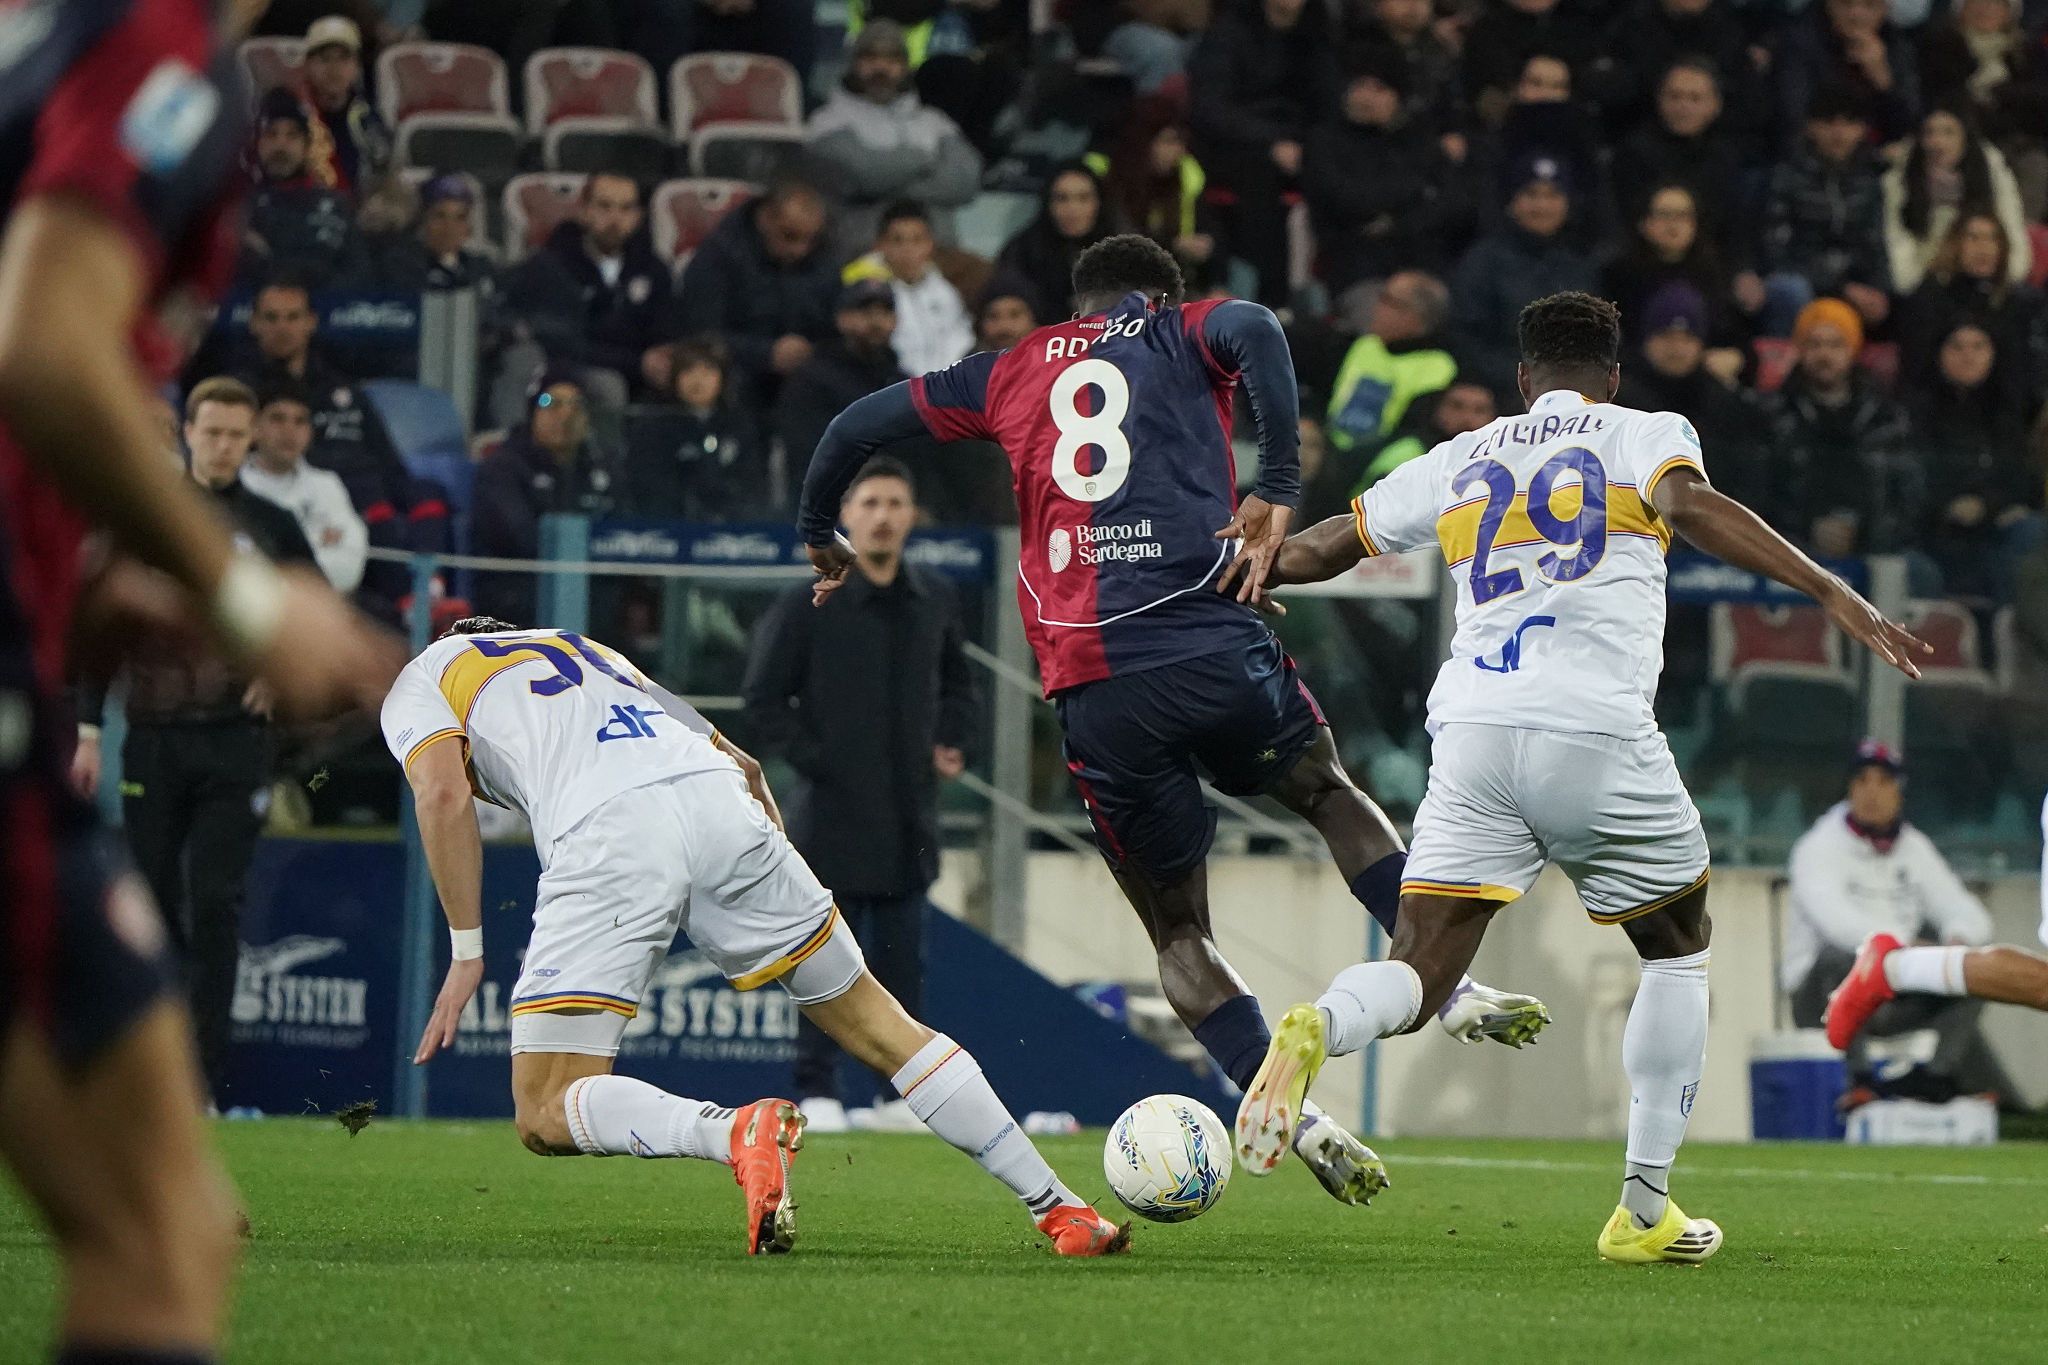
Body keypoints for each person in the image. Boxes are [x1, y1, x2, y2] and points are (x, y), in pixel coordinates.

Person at [794, 234, 1552, 1213]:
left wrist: (820, 529)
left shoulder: (1005, 369)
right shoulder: (1174, 330)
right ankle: (1439, 987)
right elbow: (1255, 326)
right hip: (1206, 639)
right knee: (1324, 791)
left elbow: (855, 424)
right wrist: (1277, 484)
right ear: (1156, 295)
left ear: (1077, 302)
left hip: (1091, 682)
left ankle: (1291, 1112)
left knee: (1178, 931)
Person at [1233, 290, 1930, 1264]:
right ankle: (1642, 1210)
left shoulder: (1460, 455)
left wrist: (1237, 561)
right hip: (1593, 729)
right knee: (1676, 944)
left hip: (1471, 732)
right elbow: (1688, 506)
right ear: (1610, 375)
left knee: (1421, 964)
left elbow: (1313, 549)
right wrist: (1825, 587)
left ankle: (1321, 1021)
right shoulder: (1645, 431)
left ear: (1519, 381)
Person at [0, 4, 398, 1357]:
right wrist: (242, 595)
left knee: (172, 1220)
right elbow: (44, 349)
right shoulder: (161, 48)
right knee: (159, 1235)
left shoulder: (65, 47)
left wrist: (90, 581)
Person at [385, 617, 1127, 1256]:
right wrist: (755, 811)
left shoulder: (423, 678)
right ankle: (1062, 1205)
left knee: (546, 1108)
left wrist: (467, 948)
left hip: (611, 827)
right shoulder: (584, 647)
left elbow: (443, 792)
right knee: (880, 1023)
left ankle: (733, 1131)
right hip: (716, 798)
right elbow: (735, 754)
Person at [72, 377, 320, 1112]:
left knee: (216, 904)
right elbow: (100, 621)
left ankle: (197, 1084)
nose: (223, 446)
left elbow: (321, 610)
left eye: (237, 435)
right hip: (151, 741)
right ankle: (141, 1078)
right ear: (188, 431)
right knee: (146, 907)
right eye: (211, 432)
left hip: (236, 745)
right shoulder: (149, 519)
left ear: (251, 440)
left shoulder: (272, 524)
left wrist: (281, 669)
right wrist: (89, 729)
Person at [743, 458, 977, 1132]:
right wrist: (821, 760)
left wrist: (955, 741)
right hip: (830, 816)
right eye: (870, 501)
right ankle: (815, 1088)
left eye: (895, 502)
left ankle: (899, 1094)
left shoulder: (932, 596)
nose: (882, 514)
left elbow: (961, 684)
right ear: (846, 517)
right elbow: (762, 700)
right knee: (823, 962)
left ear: (910, 515)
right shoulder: (807, 602)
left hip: (910, 814)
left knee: (904, 964)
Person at [1779, 741, 2025, 1103]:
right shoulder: (1817, 847)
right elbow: (1840, 927)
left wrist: (1956, 939)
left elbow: (1966, 913)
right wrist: (1909, 948)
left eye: (1884, 781)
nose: (1872, 792)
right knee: (1844, 957)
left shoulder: (1914, 847)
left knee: (1974, 968)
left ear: (1899, 791)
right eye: (1862, 781)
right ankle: (1858, 1080)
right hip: (1818, 998)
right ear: (1850, 789)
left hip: (1891, 989)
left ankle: (1934, 1078)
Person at [1186, 0, 1342, 305]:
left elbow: (1326, 104)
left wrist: (1309, 144)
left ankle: (1327, 295)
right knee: (1261, 182)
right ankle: (1272, 297)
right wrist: (1271, 142)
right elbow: (1210, 108)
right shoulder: (1227, 35)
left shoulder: (1317, 34)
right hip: (1235, 145)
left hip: (1301, 142)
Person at [805, 20, 984, 252]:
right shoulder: (826, 123)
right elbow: (863, 175)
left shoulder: (934, 122)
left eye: (892, 59)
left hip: (937, 255)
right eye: (870, 58)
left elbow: (965, 181)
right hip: (863, 255)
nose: (881, 67)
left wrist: (887, 188)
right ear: (852, 64)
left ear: (906, 66)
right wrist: (926, 160)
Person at [503, 173, 675, 406]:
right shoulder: (551, 266)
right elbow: (563, 343)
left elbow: (667, 332)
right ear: (584, 210)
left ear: (638, 216)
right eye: (604, 206)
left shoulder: (654, 269)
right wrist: (637, 363)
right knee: (609, 387)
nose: (615, 218)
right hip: (568, 375)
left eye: (625, 208)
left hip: (642, 377)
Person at [1302, 52, 1465, 299]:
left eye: (1379, 89)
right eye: (1360, 86)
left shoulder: (1417, 140)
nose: (1366, 97)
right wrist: (1416, 191)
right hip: (1355, 264)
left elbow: (1451, 202)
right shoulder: (1324, 141)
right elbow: (1344, 199)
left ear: (1398, 98)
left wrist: (1397, 223)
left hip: (1423, 261)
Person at [1768, 297, 1921, 557]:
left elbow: (1908, 497)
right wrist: (1806, 528)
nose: (1824, 355)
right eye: (1814, 344)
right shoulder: (1772, 415)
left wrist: (1865, 533)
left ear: (1854, 349)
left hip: (1877, 550)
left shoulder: (1887, 418)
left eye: (1836, 344)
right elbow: (1759, 494)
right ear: (1799, 349)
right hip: (1789, 551)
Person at [1905, 321, 2042, 600]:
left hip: (1994, 530)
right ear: (1939, 353)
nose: (1968, 356)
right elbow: (1909, 478)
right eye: (1957, 347)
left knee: (2032, 530)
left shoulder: (2011, 410)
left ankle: (2013, 635)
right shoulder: (1914, 411)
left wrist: (1984, 504)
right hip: (1930, 535)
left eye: (1978, 346)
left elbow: (2025, 478)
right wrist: (1949, 506)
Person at [674, 180, 840, 405]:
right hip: (739, 373)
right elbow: (701, 334)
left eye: (810, 240)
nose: (799, 250)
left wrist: (811, 351)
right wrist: (767, 354)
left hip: (807, 372)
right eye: (789, 236)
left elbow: (836, 321)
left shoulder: (824, 257)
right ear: (766, 217)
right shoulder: (718, 254)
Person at [473, 368, 617, 625]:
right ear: (532, 413)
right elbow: (519, 538)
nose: (565, 414)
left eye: (575, 404)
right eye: (550, 402)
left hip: (591, 586)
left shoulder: (597, 467)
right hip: (519, 590)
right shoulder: (504, 467)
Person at [1449, 155, 1598, 400]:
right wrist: (1524, 379)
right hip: (1500, 391)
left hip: (1571, 395)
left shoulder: (1582, 264)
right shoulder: (1484, 260)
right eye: (1531, 194)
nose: (1541, 206)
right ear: (1513, 202)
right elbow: (1465, 337)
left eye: (1552, 195)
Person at [1758, 85, 1895, 337]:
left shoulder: (1870, 180)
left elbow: (1875, 242)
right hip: (1803, 280)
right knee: (1788, 289)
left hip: (1855, 282)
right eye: (1829, 123)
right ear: (1811, 127)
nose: (1839, 133)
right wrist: (1841, 288)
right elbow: (1777, 251)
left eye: (1849, 123)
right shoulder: (1787, 177)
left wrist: (1880, 289)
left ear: (1862, 129)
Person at [1881, 103, 2033, 296]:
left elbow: (2011, 230)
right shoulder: (1900, 179)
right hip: (1923, 283)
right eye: (1929, 133)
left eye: (1948, 133)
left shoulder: (1991, 171)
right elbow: (1896, 241)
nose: (1937, 142)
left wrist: (2006, 275)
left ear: (1964, 138)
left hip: (1984, 281)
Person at [1598, 183, 1750, 374]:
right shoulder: (1618, 274)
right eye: (1663, 215)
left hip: (1700, 377)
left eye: (1682, 216)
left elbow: (1732, 334)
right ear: (1644, 222)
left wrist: (1734, 356)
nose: (1673, 224)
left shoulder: (1712, 273)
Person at [240, 378, 370, 596]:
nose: (289, 430)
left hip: (317, 611)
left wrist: (273, 570)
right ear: (255, 428)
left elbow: (349, 568)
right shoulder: (233, 485)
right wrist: (315, 547)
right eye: (277, 419)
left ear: (310, 432)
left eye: (300, 421)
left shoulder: (327, 485)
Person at [776, 280, 907, 479]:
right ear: (842, 319)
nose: (876, 322)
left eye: (884, 313)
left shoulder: (903, 384)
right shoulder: (812, 381)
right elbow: (807, 456)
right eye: (865, 313)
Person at [623, 336, 764, 520]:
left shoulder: (739, 425)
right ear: (675, 377)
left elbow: (751, 486)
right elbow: (649, 487)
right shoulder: (653, 426)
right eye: (688, 370)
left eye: (708, 371)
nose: (698, 380)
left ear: (723, 378)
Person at [1324, 271, 1458, 463]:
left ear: (1414, 316)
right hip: (1330, 454)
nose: (1376, 307)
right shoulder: (1365, 345)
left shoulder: (1438, 366)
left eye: (1387, 300)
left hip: (1383, 463)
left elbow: (1413, 432)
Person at [243, 88, 364, 289]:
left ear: (307, 146)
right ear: (258, 144)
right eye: (271, 134)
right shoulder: (238, 210)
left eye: (292, 135)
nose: (281, 145)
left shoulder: (338, 206)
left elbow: (359, 275)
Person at [845, 202, 976, 377]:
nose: (908, 250)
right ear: (881, 245)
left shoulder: (945, 291)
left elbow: (961, 339)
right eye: (898, 240)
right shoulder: (863, 289)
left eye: (917, 240)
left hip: (943, 391)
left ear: (930, 244)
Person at [1773, 0, 1921, 153]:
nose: (1855, 14)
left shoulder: (1897, 47)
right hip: (1815, 157)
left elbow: (1906, 124)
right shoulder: (1800, 46)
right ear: (1829, 6)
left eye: (1869, 5)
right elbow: (1793, 118)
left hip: (1880, 156)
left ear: (1884, 10)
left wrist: (1882, 79)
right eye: (1845, 4)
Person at [994, 164, 1118, 326]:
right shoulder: (1022, 251)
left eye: (1083, 198)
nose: (1073, 209)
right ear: (1048, 204)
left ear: (1099, 202)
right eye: (1062, 198)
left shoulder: (1122, 251)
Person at [296, 14, 391, 199]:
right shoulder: (293, 115)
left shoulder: (368, 120)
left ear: (357, 68)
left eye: (344, 59)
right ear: (307, 65)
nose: (334, 68)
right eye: (325, 59)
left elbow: (381, 175)